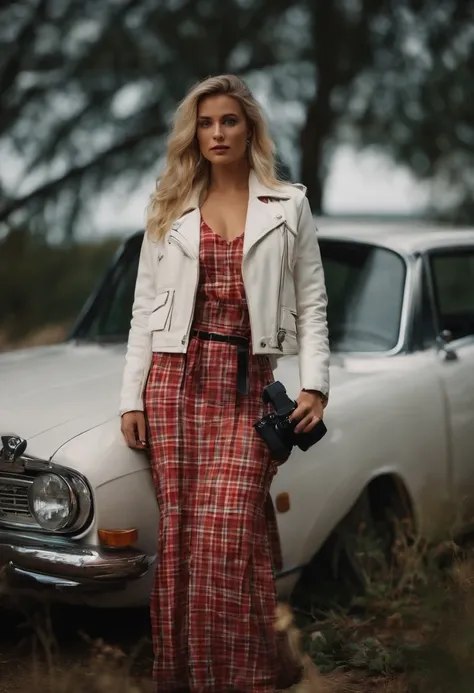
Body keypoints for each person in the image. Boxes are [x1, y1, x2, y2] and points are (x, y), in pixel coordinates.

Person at [119, 74, 330, 693]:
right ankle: (189, 677)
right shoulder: (169, 203)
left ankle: (244, 678)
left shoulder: (288, 204)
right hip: (175, 385)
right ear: (194, 132)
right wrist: (131, 395)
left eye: (229, 121)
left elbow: (313, 302)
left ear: (249, 129)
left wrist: (314, 384)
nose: (217, 133)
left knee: (227, 536)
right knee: (185, 539)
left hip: (248, 388)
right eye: (206, 123)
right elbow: (143, 307)